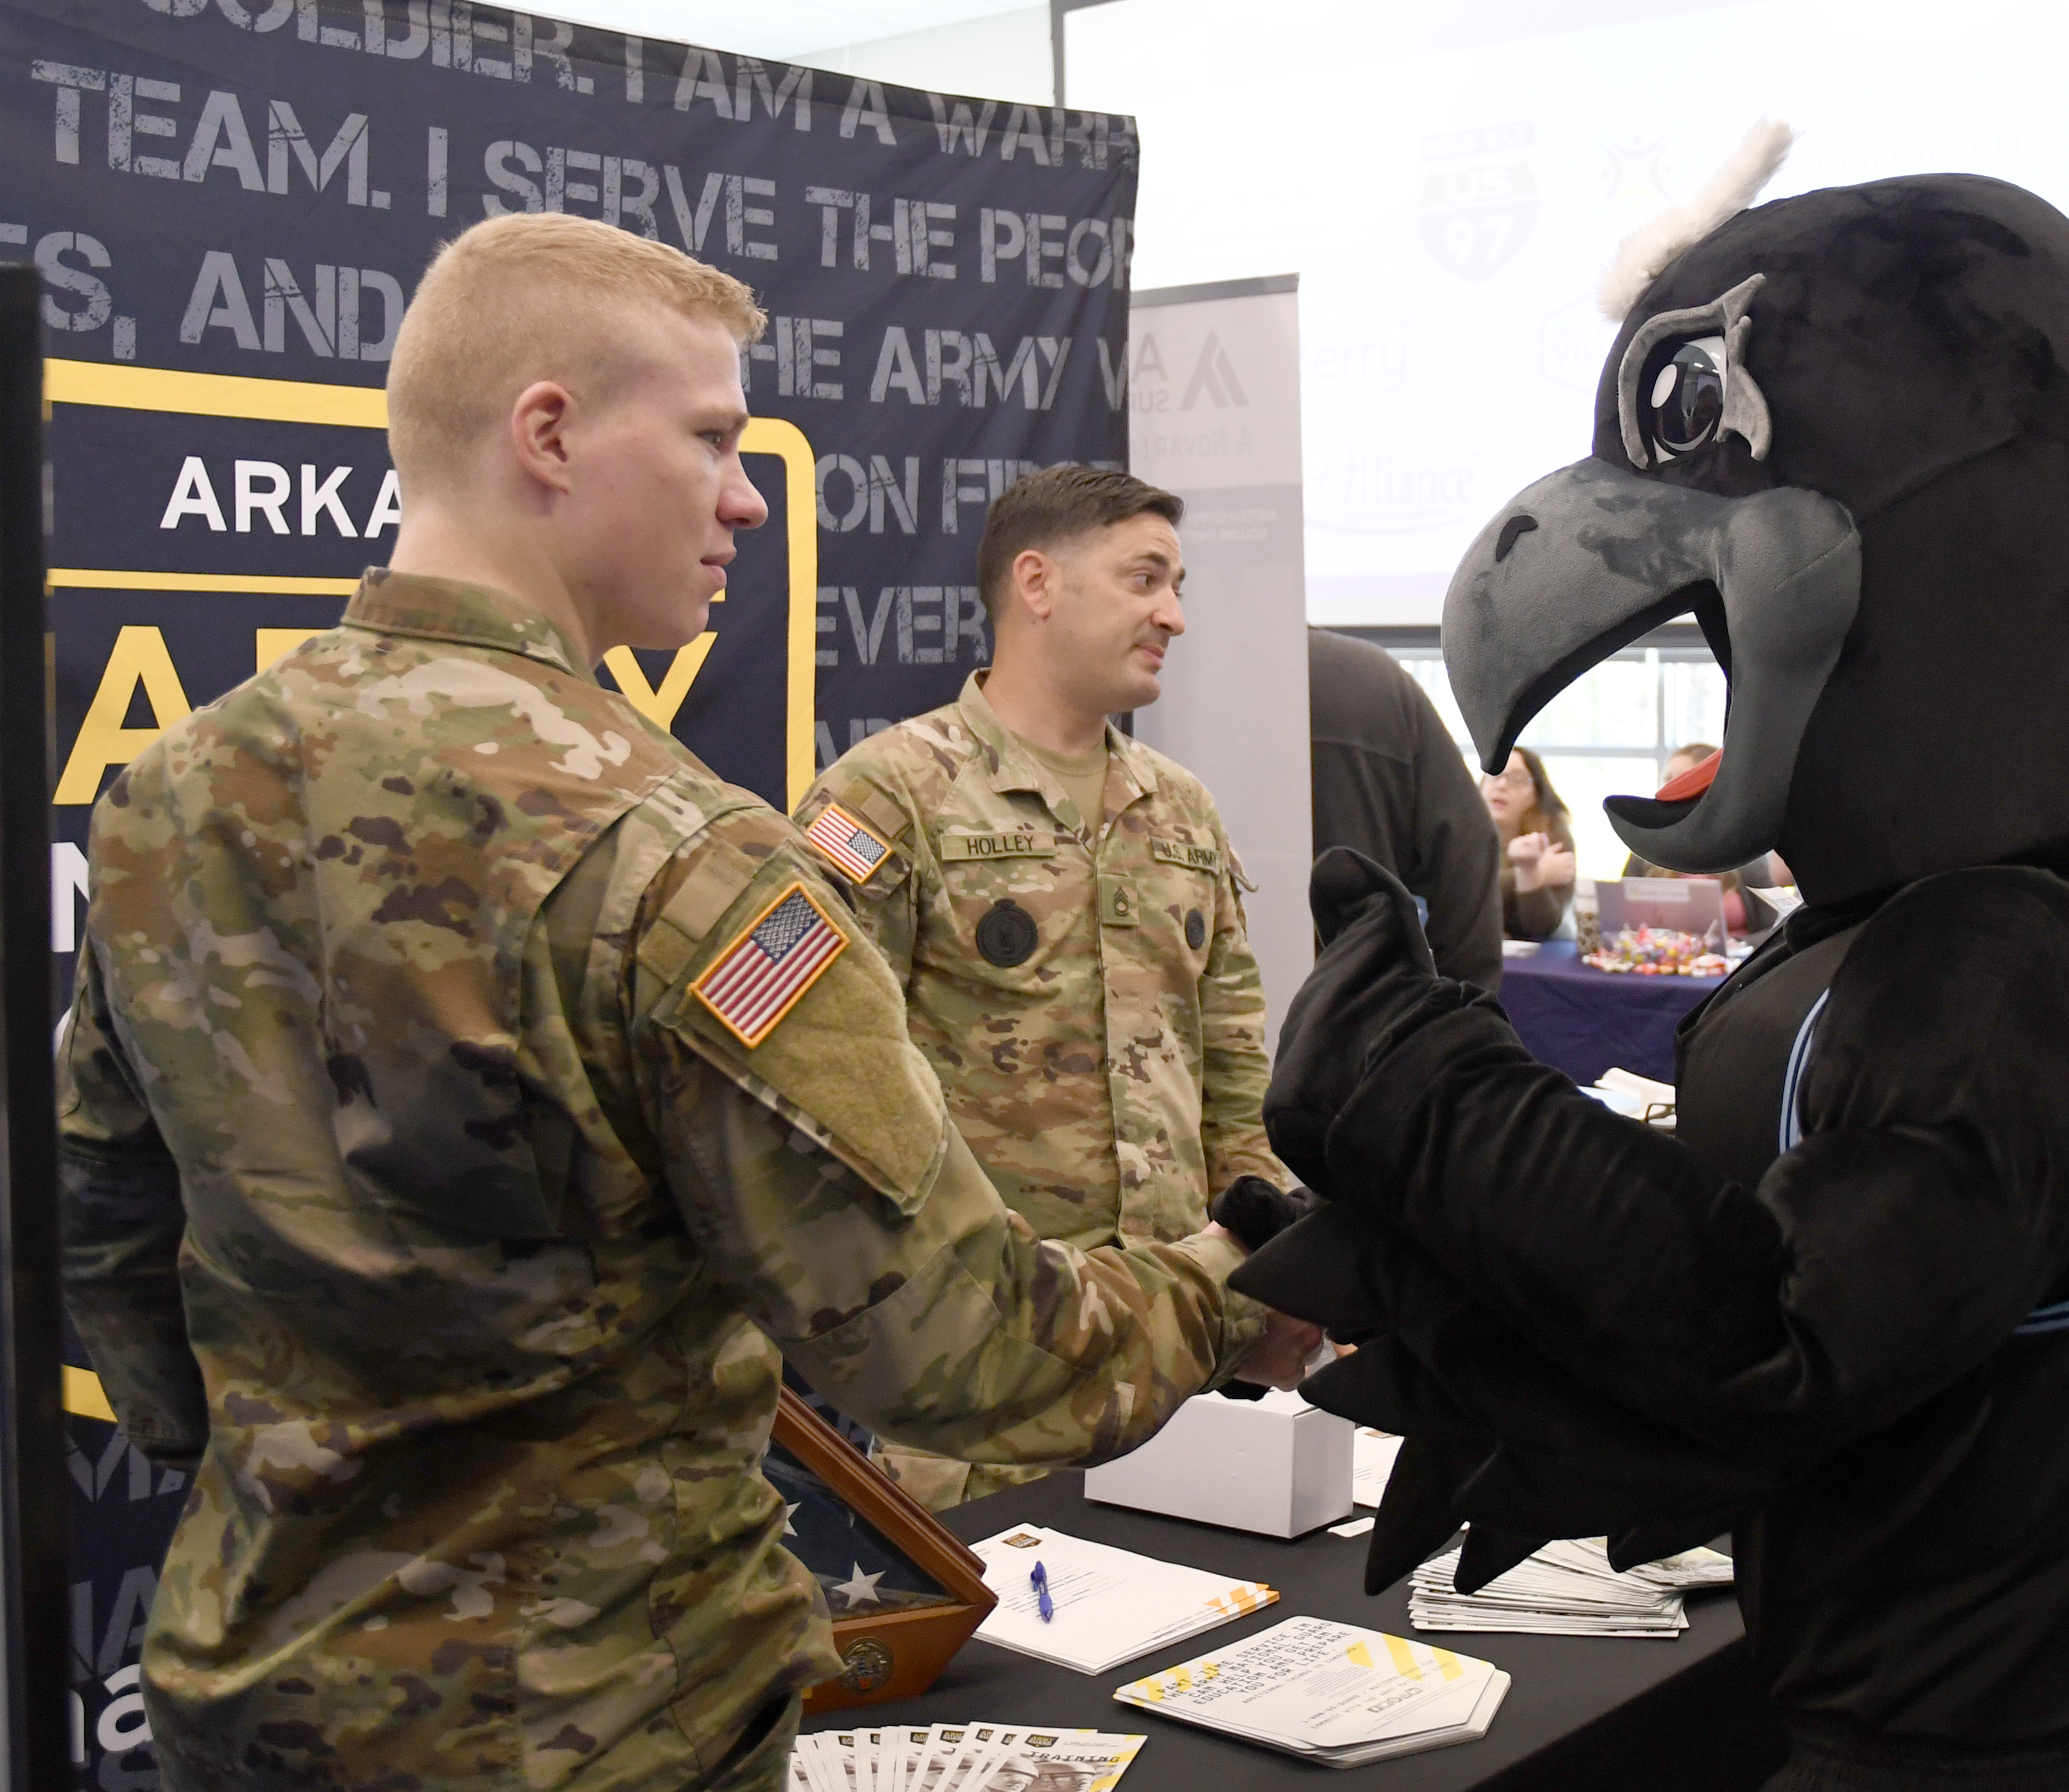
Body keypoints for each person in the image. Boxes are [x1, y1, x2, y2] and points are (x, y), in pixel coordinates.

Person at [54, 215, 1314, 1792]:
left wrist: (298, 1491)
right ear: (550, 432)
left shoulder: (168, 792)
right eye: (713, 436)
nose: (745, 492)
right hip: (595, 1732)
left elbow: (107, 1244)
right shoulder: (680, 858)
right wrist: (1230, 1281)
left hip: (247, 1698)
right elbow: (956, 1351)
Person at [1241, 168, 2069, 1789]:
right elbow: (1891, 1344)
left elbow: (1774, 1337)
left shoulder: (2013, 968)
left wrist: (1420, 1091)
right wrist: (1433, 1277)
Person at [793, 463, 1304, 1506]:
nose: (1175, 614)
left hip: (1184, 1361)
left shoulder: (1181, 809)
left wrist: (1270, 1285)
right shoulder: (888, 797)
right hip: (987, 1387)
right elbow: (824, 1095)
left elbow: (1236, 1070)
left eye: (1178, 583)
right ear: (1037, 583)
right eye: (1145, 578)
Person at [1307, 626, 1504, 986]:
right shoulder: (1369, 680)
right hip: (1358, 1006)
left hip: (1196, 1017)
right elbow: (1468, 847)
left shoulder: (1186, 679)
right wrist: (1457, 1015)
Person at [1624, 740, 1783, 935]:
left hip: (1737, 964)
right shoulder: (1644, 854)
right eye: (1667, 779)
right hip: (1662, 962)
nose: (1669, 788)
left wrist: (1735, 948)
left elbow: (1774, 931)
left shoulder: (1747, 854)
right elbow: (1622, 924)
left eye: (1680, 779)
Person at [1482, 745, 1575, 940]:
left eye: (1516, 779)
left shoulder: (1552, 833)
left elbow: (1542, 926)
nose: (1501, 786)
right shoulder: (1461, 830)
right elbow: (1459, 894)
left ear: (1536, 793)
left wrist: (1530, 871)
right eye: (1494, 776)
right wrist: (1535, 874)